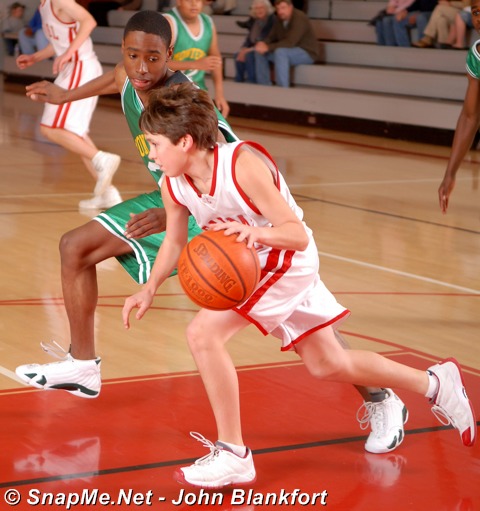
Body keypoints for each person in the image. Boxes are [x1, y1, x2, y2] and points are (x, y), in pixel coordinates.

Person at [16, 11, 410, 457]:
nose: (141, 67)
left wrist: (176, 211)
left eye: (152, 58)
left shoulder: (185, 99)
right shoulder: (130, 75)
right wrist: (65, 94)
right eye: (132, 56)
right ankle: (83, 364)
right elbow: (113, 79)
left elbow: (221, 162)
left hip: (217, 211)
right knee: (75, 246)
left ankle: (381, 397)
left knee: (303, 323)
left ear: (170, 55)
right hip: (171, 196)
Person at [121, 82, 476, 488]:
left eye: (155, 144)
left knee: (202, 335)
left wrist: (255, 234)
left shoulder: (241, 166)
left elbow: (296, 234)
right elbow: (173, 241)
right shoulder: (173, 182)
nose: (150, 154)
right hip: (255, 263)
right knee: (328, 364)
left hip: (285, 259)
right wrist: (149, 287)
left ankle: (234, 453)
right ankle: (436, 383)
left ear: (185, 141)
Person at [15, 0, 122, 209]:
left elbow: (89, 21)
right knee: (75, 134)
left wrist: (68, 53)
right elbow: (58, 43)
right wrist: (35, 57)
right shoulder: (44, 5)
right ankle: (108, 193)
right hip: (74, 68)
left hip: (80, 67)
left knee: (50, 128)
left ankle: (101, 158)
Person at [438, 0, 480, 211]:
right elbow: (469, 117)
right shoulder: (477, 56)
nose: (479, 18)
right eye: (476, 12)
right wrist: (450, 173)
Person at [164, 0, 230, 116]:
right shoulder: (169, 22)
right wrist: (194, 64)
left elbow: (215, 60)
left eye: (198, 0)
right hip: (169, 92)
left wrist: (219, 94)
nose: (194, 3)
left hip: (196, 90)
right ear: (179, 1)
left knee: (216, 124)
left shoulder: (208, 22)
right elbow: (159, 63)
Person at [253, 0, 319, 88]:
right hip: (288, 50)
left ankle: (282, 89)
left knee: (280, 52)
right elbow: (271, 36)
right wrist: (263, 44)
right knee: (260, 51)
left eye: (283, 8)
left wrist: (268, 47)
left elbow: (290, 42)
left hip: (306, 52)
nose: (280, 11)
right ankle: (263, 86)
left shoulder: (299, 18)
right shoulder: (280, 18)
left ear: (290, 7)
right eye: (278, 9)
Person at [234, 0, 274, 83]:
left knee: (249, 55)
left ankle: (252, 81)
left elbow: (265, 40)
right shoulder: (255, 21)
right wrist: (244, 48)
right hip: (254, 47)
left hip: (267, 47)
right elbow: (249, 39)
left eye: (262, 8)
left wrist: (248, 50)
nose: (259, 10)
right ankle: (239, 80)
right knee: (238, 54)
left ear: (267, 9)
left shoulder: (271, 20)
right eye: (256, 8)